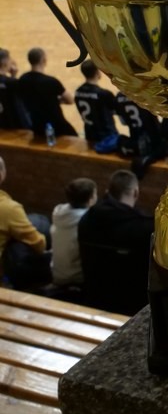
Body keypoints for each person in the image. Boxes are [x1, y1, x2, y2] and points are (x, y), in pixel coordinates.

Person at [77, 170, 153, 315]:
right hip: (131, 306)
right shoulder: (145, 228)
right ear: (136, 192)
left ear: (109, 191)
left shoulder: (86, 219)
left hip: (94, 299)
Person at [0, 156, 51, 290]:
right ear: (2, 175)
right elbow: (38, 243)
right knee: (41, 224)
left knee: (37, 219)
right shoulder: (9, 208)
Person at [17, 47, 78, 138]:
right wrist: (55, 100)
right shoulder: (51, 82)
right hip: (57, 126)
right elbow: (70, 100)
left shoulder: (23, 79)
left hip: (36, 125)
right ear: (43, 60)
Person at [115, 92, 168, 178]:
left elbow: (123, 122)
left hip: (135, 143)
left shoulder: (119, 96)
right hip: (154, 142)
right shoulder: (145, 93)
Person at [51, 177, 97, 289]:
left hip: (56, 273)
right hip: (77, 278)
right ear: (91, 199)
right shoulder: (88, 221)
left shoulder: (59, 214)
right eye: (95, 194)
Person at [74, 60, 120, 152]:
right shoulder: (104, 94)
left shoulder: (78, 92)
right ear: (97, 72)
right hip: (106, 136)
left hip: (89, 134)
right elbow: (117, 110)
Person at [0, 48, 29, 130]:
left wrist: (13, 77)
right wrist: (13, 77)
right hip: (14, 125)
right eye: (9, 59)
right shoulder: (13, 82)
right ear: (4, 62)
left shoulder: (11, 82)